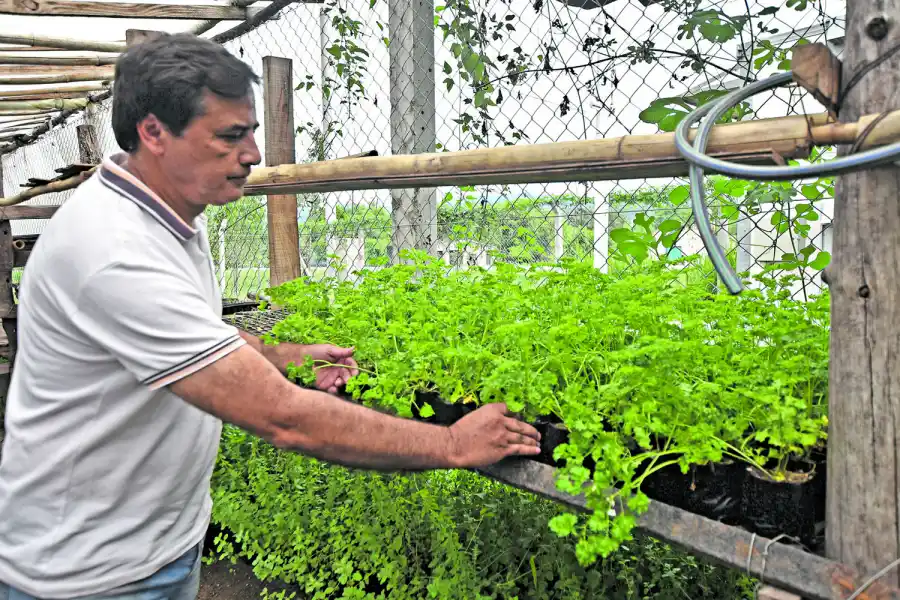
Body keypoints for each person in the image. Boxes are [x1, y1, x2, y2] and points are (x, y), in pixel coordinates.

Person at [0, 33, 541, 600]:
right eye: (231, 136)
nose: (255, 153)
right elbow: (284, 418)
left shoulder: (172, 207)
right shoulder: (113, 252)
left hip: (154, 547)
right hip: (85, 576)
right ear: (154, 133)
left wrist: (284, 357)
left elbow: (197, 331)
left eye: (253, 131)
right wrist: (452, 444)